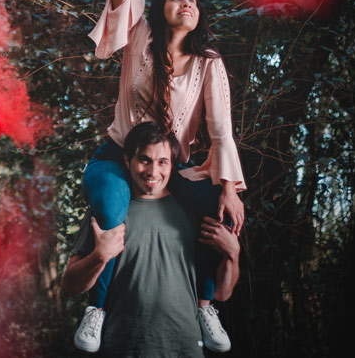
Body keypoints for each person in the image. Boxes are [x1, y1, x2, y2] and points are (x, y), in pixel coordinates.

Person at [72, 0, 247, 353]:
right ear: (160, 8)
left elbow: (220, 131)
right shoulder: (138, 35)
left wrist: (228, 190)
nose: (185, 2)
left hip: (172, 166)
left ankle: (205, 306)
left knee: (215, 215)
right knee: (109, 207)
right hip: (119, 155)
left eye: (192, 0)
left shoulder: (210, 64)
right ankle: (98, 310)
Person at [62, 122, 241, 357]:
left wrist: (233, 254)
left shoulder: (195, 212)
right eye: (144, 160)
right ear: (127, 160)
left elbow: (222, 293)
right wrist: (99, 257)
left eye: (162, 162)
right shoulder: (108, 212)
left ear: (173, 165)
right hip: (121, 349)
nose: (153, 172)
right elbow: (69, 286)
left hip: (186, 350)